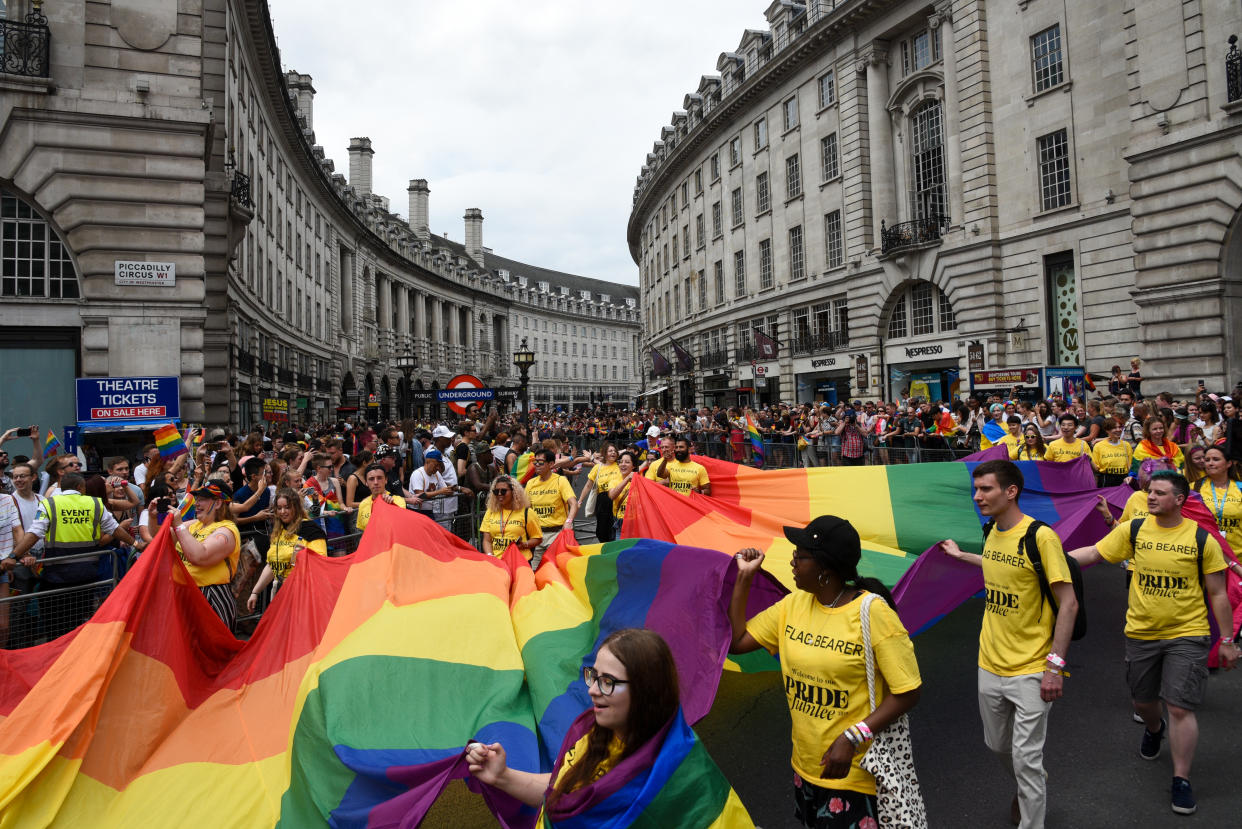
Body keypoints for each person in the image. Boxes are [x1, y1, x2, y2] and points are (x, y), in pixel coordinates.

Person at [729, 516, 922, 828]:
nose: (792, 560)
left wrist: (852, 736)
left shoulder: (873, 613)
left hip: (855, 771)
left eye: (800, 555)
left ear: (825, 569)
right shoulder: (792, 606)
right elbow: (737, 642)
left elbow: (908, 690)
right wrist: (744, 578)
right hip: (806, 767)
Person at [1070, 472, 1238, 816]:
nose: (1150, 497)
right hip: (1142, 632)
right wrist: (1050, 559)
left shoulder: (1201, 539)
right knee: (1144, 701)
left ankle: (1181, 779)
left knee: (1179, 706)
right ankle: (1153, 727)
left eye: (1160, 493)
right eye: (1150, 492)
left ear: (1179, 500)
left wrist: (1226, 640)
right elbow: (1094, 553)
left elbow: (1219, 593)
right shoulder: (1134, 529)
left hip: (1188, 633)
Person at [466, 628, 750, 826]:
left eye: (608, 682)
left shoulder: (684, 774)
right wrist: (502, 775)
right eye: (593, 676)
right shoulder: (592, 735)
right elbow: (560, 789)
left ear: (645, 691)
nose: (592, 691)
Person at [941, 460, 1077, 828]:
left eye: (985, 489)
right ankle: (1029, 781)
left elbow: (1069, 603)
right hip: (990, 662)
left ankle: (1031, 815)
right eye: (976, 489)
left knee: (1026, 758)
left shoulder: (1041, 537)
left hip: (1033, 668)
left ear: (1011, 491)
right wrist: (960, 556)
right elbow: (995, 563)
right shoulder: (991, 531)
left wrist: (1055, 667)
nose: (977, 496)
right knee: (998, 747)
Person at [5, 471, 135, 641]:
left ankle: (57, 658)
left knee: (56, 629)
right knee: (78, 626)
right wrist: (136, 543)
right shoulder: (94, 503)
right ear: (81, 487)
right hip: (86, 576)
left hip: (56, 577)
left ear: (61, 487)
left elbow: (34, 533)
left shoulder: (49, 503)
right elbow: (114, 528)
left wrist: (14, 556)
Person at [164, 480, 240, 629]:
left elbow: (199, 556)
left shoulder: (227, 531)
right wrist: (154, 517)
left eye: (203, 499)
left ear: (218, 503)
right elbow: (159, 538)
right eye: (197, 499)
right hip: (185, 593)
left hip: (211, 595)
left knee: (212, 649)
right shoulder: (193, 524)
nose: (196, 504)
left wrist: (179, 525)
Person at [246, 487, 327, 612]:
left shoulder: (311, 530)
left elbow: (321, 564)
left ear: (296, 507)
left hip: (303, 594)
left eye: (287, 507)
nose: (283, 511)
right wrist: (255, 592)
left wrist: (305, 554)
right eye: (279, 508)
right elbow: (272, 565)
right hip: (280, 592)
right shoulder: (278, 531)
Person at [525, 449, 578, 564]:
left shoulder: (561, 481)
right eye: (535, 462)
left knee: (555, 570)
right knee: (535, 572)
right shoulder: (530, 483)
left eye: (541, 462)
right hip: (537, 537)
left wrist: (569, 521)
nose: (537, 465)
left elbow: (573, 504)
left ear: (551, 464)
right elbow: (527, 510)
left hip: (556, 535)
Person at [478, 475, 542, 560]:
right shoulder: (491, 512)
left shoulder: (527, 512)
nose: (499, 494)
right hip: (498, 563)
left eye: (503, 491)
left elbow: (537, 538)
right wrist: (490, 555)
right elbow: (487, 540)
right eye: (496, 491)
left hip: (520, 563)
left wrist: (524, 544)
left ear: (514, 492)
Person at [579, 443, 622, 543]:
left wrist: (591, 458)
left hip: (617, 499)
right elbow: (588, 485)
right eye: (610, 451)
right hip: (602, 501)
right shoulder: (598, 468)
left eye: (615, 451)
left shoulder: (620, 466)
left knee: (615, 529)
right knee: (601, 530)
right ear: (605, 454)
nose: (613, 453)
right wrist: (580, 501)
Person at [354, 463, 408, 532]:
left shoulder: (398, 501)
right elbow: (364, 531)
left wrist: (391, 506)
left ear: (386, 480)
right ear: (366, 483)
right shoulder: (363, 504)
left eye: (379, 478)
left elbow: (401, 525)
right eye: (371, 479)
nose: (376, 482)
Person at [1092, 417, 1134, 488]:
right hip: (1106, 480)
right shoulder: (1099, 446)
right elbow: (1096, 468)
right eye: (1114, 428)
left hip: (1124, 480)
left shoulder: (1126, 445)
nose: (1118, 430)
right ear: (1107, 430)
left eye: (1119, 427)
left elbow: (1131, 466)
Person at [608, 451, 638, 537]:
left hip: (637, 523)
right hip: (621, 524)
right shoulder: (613, 481)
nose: (623, 464)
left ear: (634, 466)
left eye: (627, 462)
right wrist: (627, 478)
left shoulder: (640, 481)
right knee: (621, 549)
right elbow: (612, 496)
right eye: (621, 462)